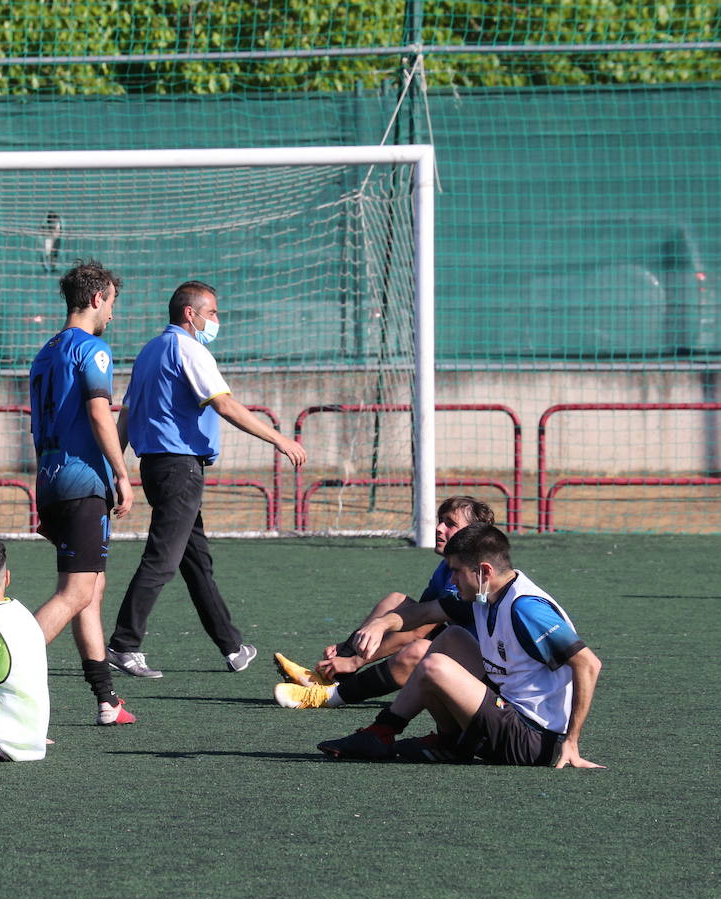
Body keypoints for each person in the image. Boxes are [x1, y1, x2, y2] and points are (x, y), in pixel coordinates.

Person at [106, 281, 306, 679]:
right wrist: (279, 438)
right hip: (179, 468)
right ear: (189, 314)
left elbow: (127, 413)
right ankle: (123, 646)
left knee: (196, 562)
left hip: (160, 467)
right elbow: (225, 404)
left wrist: (119, 466)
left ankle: (232, 647)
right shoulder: (189, 348)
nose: (216, 320)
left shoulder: (149, 351)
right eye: (212, 312)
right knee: (162, 560)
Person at [317, 524, 604, 768]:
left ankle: (400, 736)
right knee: (450, 639)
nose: (452, 580)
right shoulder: (485, 594)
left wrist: (572, 742)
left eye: (456, 572)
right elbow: (424, 613)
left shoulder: (526, 608)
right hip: (507, 711)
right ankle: (403, 735)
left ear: (484, 571)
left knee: (433, 664)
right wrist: (380, 624)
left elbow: (588, 664)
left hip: (532, 740)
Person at [27, 260, 137, 725]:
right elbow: (98, 414)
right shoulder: (93, 349)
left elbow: (37, 426)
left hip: (51, 479)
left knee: (90, 586)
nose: (113, 312)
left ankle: (107, 699)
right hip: (81, 480)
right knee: (75, 591)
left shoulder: (44, 352)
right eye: (112, 301)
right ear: (97, 299)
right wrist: (122, 472)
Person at [272, 495, 494, 709]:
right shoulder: (448, 566)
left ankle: (330, 695)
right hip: (463, 650)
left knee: (419, 649)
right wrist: (347, 648)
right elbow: (417, 611)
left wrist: (356, 661)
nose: (438, 528)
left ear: (473, 534)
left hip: (489, 679)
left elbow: (422, 625)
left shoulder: (478, 573)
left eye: (450, 524)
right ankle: (328, 677)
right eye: (440, 521)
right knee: (397, 601)